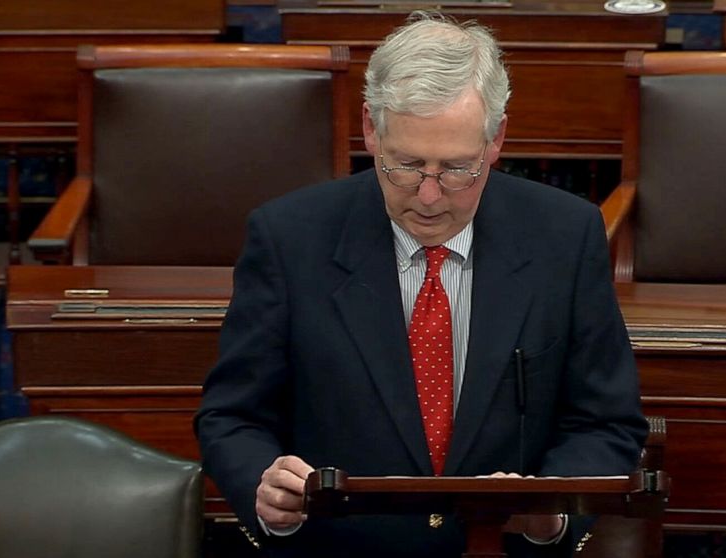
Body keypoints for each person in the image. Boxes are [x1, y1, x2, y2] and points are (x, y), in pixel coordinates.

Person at [195, 11, 647, 557]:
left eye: (458, 169)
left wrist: (550, 511)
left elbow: (606, 423)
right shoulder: (290, 238)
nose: (429, 197)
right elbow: (233, 415)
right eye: (405, 165)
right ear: (370, 128)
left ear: (496, 139)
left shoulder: (565, 236)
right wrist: (263, 487)